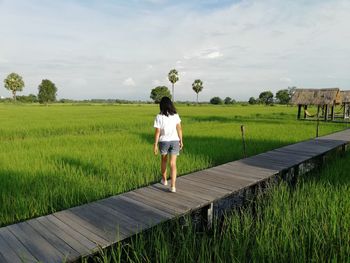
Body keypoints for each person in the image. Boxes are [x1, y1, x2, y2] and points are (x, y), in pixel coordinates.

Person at [153, 97, 183, 193]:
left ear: (161, 105)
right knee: (173, 164)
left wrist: (155, 145)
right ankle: (173, 186)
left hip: (164, 141)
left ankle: (164, 180)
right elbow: (179, 129)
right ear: (170, 104)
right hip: (175, 141)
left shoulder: (159, 116)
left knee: (164, 160)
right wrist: (181, 141)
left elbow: (157, 132)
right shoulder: (175, 115)